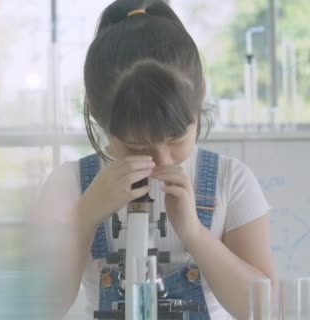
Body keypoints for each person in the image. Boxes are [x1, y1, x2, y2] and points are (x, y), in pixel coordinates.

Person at [32, 0, 275, 319]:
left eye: (176, 139)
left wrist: (195, 234)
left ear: (200, 97)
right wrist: (84, 216)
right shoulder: (67, 185)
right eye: (137, 147)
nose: (161, 159)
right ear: (98, 117)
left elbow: (266, 308)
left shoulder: (229, 181)